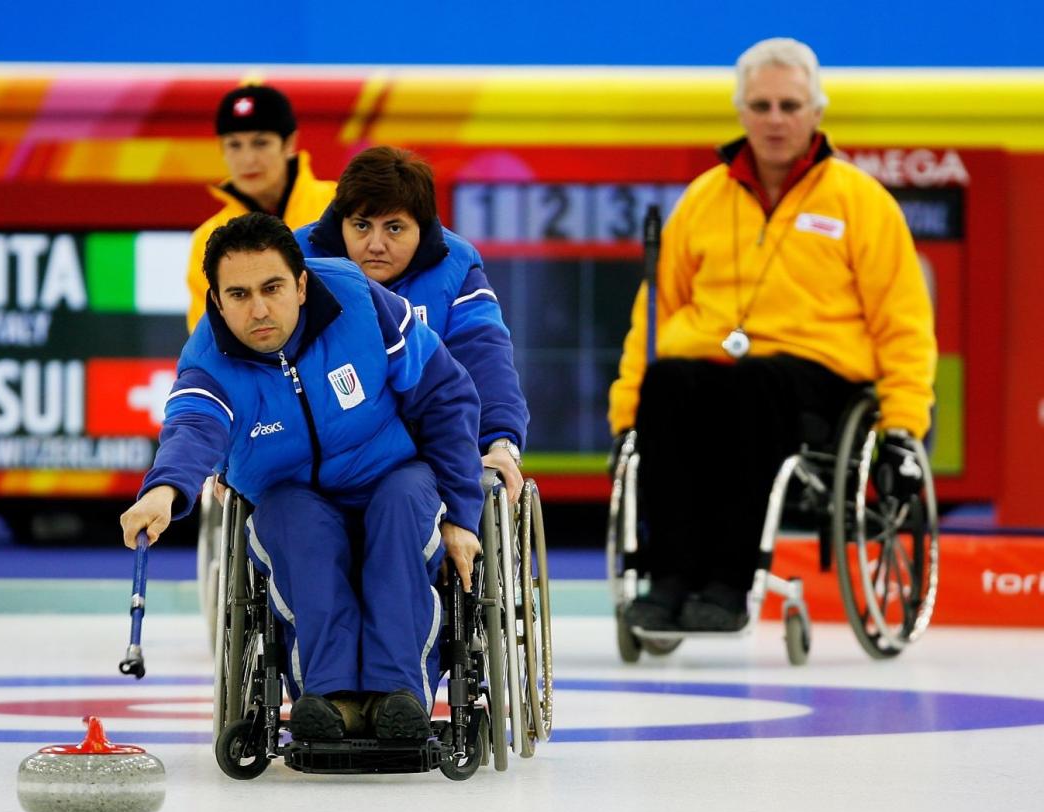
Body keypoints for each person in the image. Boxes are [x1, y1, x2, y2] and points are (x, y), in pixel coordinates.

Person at [607, 37, 937, 632]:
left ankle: (731, 584)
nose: (775, 120)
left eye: (790, 105)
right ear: (741, 113)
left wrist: (904, 424)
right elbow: (654, 313)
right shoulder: (703, 200)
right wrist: (625, 412)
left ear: (816, 111)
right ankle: (671, 577)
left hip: (816, 375)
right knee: (666, 382)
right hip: (709, 363)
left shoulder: (861, 202)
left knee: (754, 385)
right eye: (761, 106)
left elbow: (904, 321)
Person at [122, 213, 484, 742]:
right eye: (239, 295)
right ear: (218, 303)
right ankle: (331, 696)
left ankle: (399, 694)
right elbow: (193, 426)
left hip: (390, 473)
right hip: (292, 490)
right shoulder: (208, 360)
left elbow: (445, 394)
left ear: (301, 283)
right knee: (293, 523)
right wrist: (164, 489)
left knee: (403, 506)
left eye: (272, 288)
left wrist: (463, 515)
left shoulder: (360, 301)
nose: (260, 309)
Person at [295, 146, 529, 503]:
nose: (375, 244)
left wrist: (501, 442)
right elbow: (244, 358)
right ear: (340, 222)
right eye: (361, 225)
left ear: (421, 227)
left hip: (420, 464)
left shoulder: (457, 267)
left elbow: (485, 356)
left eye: (394, 228)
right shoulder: (294, 261)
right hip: (314, 461)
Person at [185, 84, 336, 333]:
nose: (248, 159)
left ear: (289, 142)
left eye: (261, 143)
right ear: (221, 149)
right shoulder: (207, 239)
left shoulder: (338, 205)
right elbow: (208, 338)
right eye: (234, 145)